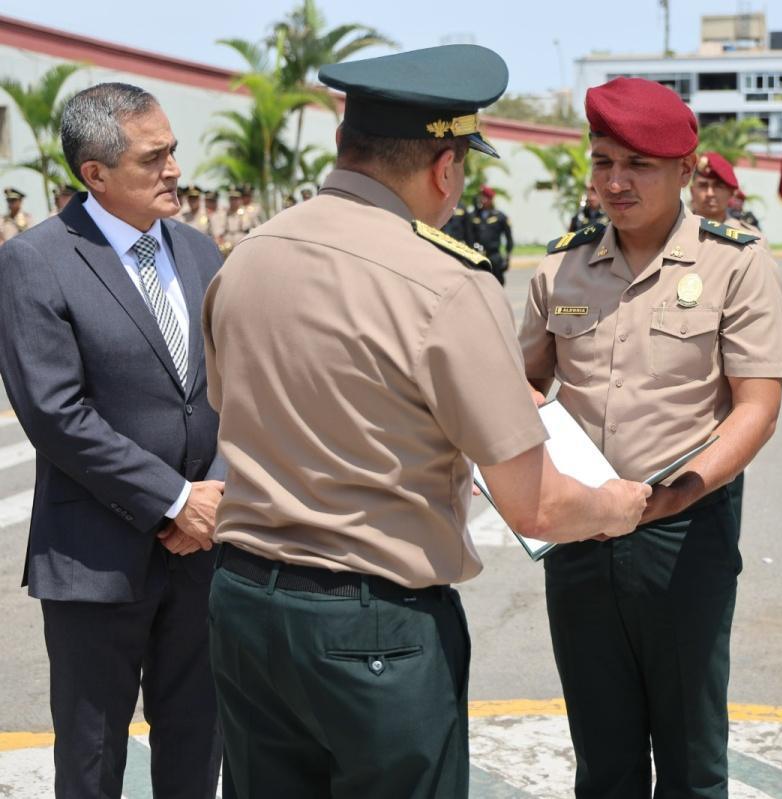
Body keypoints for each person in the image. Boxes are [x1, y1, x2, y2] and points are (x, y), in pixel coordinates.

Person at [203, 46, 650, 799]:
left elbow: (241, 408)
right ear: (446, 167)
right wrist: (615, 504)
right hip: (371, 630)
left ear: (346, 148)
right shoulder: (444, 279)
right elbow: (534, 503)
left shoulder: (246, 257)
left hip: (245, 608)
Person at [519, 76, 782, 799]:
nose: (616, 181)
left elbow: (756, 406)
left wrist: (681, 491)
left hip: (684, 534)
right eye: (603, 161)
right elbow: (525, 386)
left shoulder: (735, 264)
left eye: (637, 165)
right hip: (578, 538)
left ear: (684, 171)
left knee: (691, 759)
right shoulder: (562, 266)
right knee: (602, 759)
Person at [0, 82, 226, 799]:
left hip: (204, 553)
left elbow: (234, 384)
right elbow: (55, 413)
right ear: (94, 174)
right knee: (93, 758)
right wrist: (172, 500)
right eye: (153, 157)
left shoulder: (199, 250)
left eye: (173, 152)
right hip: (96, 560)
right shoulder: (37, 260)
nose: (174, 170)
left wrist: (212, 493)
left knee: (198, 740)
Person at [471, 185, 513, 284]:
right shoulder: (474, 216)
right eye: (482, 197)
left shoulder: (500, 216)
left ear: (491, 199)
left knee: (497, 284)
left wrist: (507, 257)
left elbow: (509, 238)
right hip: (478, 256)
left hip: (494, 257)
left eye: (485, 197)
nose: (483, 200)